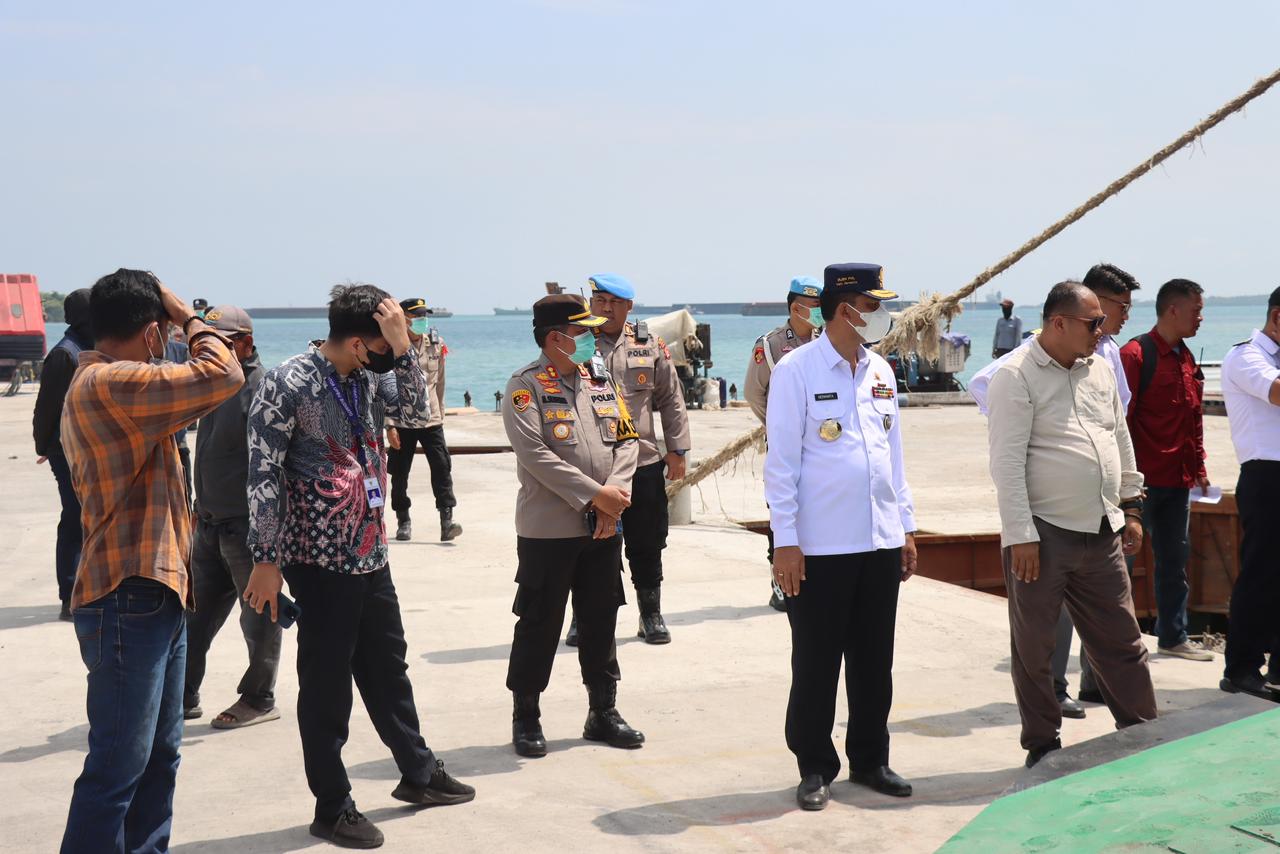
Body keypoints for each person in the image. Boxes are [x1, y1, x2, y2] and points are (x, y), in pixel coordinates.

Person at [243, 284, 473, 849]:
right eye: (383, 343)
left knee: (389, 668)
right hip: (318, 559)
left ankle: (418, 772)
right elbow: (262, 474)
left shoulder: (369, 375)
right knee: (327, 686)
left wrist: (403, 348)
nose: (387, 354)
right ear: (354, 342)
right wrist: (266, 558)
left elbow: (419, 413)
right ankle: (332, 805)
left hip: (371, 551)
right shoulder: (287, 382)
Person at [60, 270, 244, 853]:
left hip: (153, 594)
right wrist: (188, 315)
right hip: (128, 595)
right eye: (163, 332)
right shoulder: (112, 383)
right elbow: (225, 373)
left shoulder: (115, 386)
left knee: (158, 757)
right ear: (150, 333)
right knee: (118, 767)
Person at [765, 262, 917, 811]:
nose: (882, 314)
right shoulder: (797, 370)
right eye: (874, 305)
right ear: (847, 309)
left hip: (878, 541)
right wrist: (785, 541)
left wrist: (905, 527)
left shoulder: (881, 370)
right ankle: (814, 765)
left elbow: (892, 457)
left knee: (875, 660)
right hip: (820, 546)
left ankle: (871, 759)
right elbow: (781, 464)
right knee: (817, 661)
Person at [987, 281, 1157, 768]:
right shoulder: (1014, 375)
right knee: (1035, 649)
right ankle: (1042, 745)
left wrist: (1132, 507)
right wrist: (1021, 535)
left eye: (1102, 321)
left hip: (1102, 530)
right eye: (1093, 322)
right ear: (1058, 323)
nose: (1101, 330)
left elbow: (1119, 437)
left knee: (1123, 642)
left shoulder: (1100, 368)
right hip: (1042, 535)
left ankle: (1144, 735)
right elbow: (1006, 463)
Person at [502, 294, 645, 759]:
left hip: (604, 526)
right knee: (539, 622)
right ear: (555, 339)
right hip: (550, 530)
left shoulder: (600, 379)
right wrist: (595, 495)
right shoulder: (525, 386)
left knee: (602, 618)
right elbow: (535, 455)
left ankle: (603, 711)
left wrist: (614, 497)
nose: (591, 339)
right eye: (582, 332)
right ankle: (526, 715)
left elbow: (628, 439)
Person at [562, 273, 690, 645]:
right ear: (591, 303)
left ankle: (651, 615)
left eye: (615, 303)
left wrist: (677, 450)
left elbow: (671, 398)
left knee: (647, 543)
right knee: (588, 545)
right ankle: (583, 617)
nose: (606, 309)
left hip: (643, 463)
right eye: (600, 301)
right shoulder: (577, 343)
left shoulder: (648, 345)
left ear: (629, 307)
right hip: (593, 466)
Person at [182, 305, 282, 730]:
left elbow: (274, 469)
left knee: (258, 621)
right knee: (193, 618)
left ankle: (259, 697)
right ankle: (182, 693)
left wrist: (268, 544)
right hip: (208, 524)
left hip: (245, 530)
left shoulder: (261, 390)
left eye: (221, 342)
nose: (209, 350)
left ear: (245, 343)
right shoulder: (213, 384)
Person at [1119, 278, 1214, 662]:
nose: (1201, 318)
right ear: (1173, 310)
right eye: (1196, 310)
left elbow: (1194, 419)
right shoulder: (1136, 355)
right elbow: (1119, 421)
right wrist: (1123, 482)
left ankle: (1173, 637)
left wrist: (1200, 466)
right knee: (1121, 566)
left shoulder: (1187, 359)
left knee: (1175, 563)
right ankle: (1117, 643)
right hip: (1140, 485)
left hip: (1178, 481)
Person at [744, 275, 824, 612]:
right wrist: (780, 427)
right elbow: (753, 393)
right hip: (785, 446)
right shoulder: (772, 345)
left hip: (823, 446)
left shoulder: (828, 339)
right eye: (815, 307)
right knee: (781, 511)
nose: (820, 312)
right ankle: (779, 584)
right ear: (795, 308)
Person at [1219, 287, 1280, 699]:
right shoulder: (1246, 356)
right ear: (1277, 317)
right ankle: (1241, 666)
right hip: (1266, 477)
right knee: (1260, 574)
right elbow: (1276, 392)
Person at [32, 288, 93, 621]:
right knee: (74, 517)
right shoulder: (65, 354)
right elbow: (46, 407)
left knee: (87, 517)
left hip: (83, 448)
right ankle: (69, 594)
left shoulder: (87, 348)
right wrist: (44, 445)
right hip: (66, 450)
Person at [385, 297, 462, 543]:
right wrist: (389, 425)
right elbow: (386, 387)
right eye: (417, 316)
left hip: (432, 421)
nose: (422, 320)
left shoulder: (436, 344)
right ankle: (403, 520)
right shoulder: (393, 347)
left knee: (442, 468)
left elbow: (440, 382)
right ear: (404, 318)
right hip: (403, 421)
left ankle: (447, 521)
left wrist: (441, 414)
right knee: (399, 473)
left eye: (424, 315)